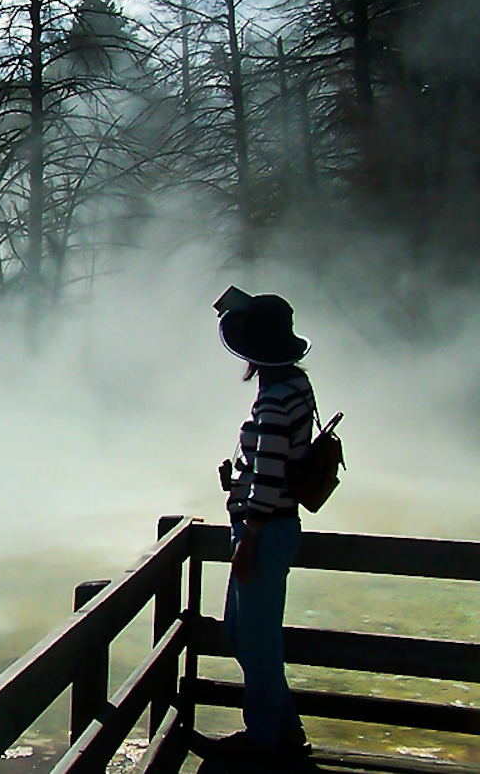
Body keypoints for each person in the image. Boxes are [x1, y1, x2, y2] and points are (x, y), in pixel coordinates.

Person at [213, 291, 314, 757]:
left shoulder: (274, 399)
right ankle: (283, 729)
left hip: (264, 529)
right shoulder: (295, 387)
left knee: (252, 635)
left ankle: (264, 740)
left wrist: (248, 536)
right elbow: (272, 463)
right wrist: (239, 481)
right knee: (245, 632)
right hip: (272, 524)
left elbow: (272, 472)